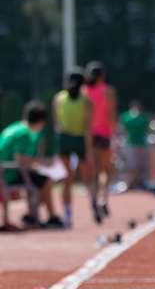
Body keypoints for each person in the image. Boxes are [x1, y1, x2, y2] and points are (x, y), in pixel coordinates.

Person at [0, 101, 64, 229]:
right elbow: (18, 157)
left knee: (36, 179)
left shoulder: (15, 127)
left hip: (6, 171)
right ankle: (47, 216)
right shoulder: (24, 133)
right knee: (46, 180)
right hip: (9, 173)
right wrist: (42, 162)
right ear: (41, 121)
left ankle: (32, 215)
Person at [52, 68, 99, 228]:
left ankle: (67, 213)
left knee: (66, 180)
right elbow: (87, 129)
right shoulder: (87, 102)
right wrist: (88, 150)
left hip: (64, 139)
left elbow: (56, 125)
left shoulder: (58, 98)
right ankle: (93, 202)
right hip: (79, 139)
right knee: (89, 177)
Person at [83, 61, 118, 219]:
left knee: (92, 172)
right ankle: (103, 198)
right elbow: (111, 115)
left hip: (88, 134)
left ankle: (93, 198)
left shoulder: (83, 91)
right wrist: (115, 136)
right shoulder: (108, 91)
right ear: (103, 75)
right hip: (104, 134)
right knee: (106, 170)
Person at [120, 100, 149, 189]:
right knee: (133, 164)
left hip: (137, 144)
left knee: (137, 164)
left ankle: (136, 181)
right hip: (132, 144)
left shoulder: (141, 118)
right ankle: (134, 180)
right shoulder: (128, 117)